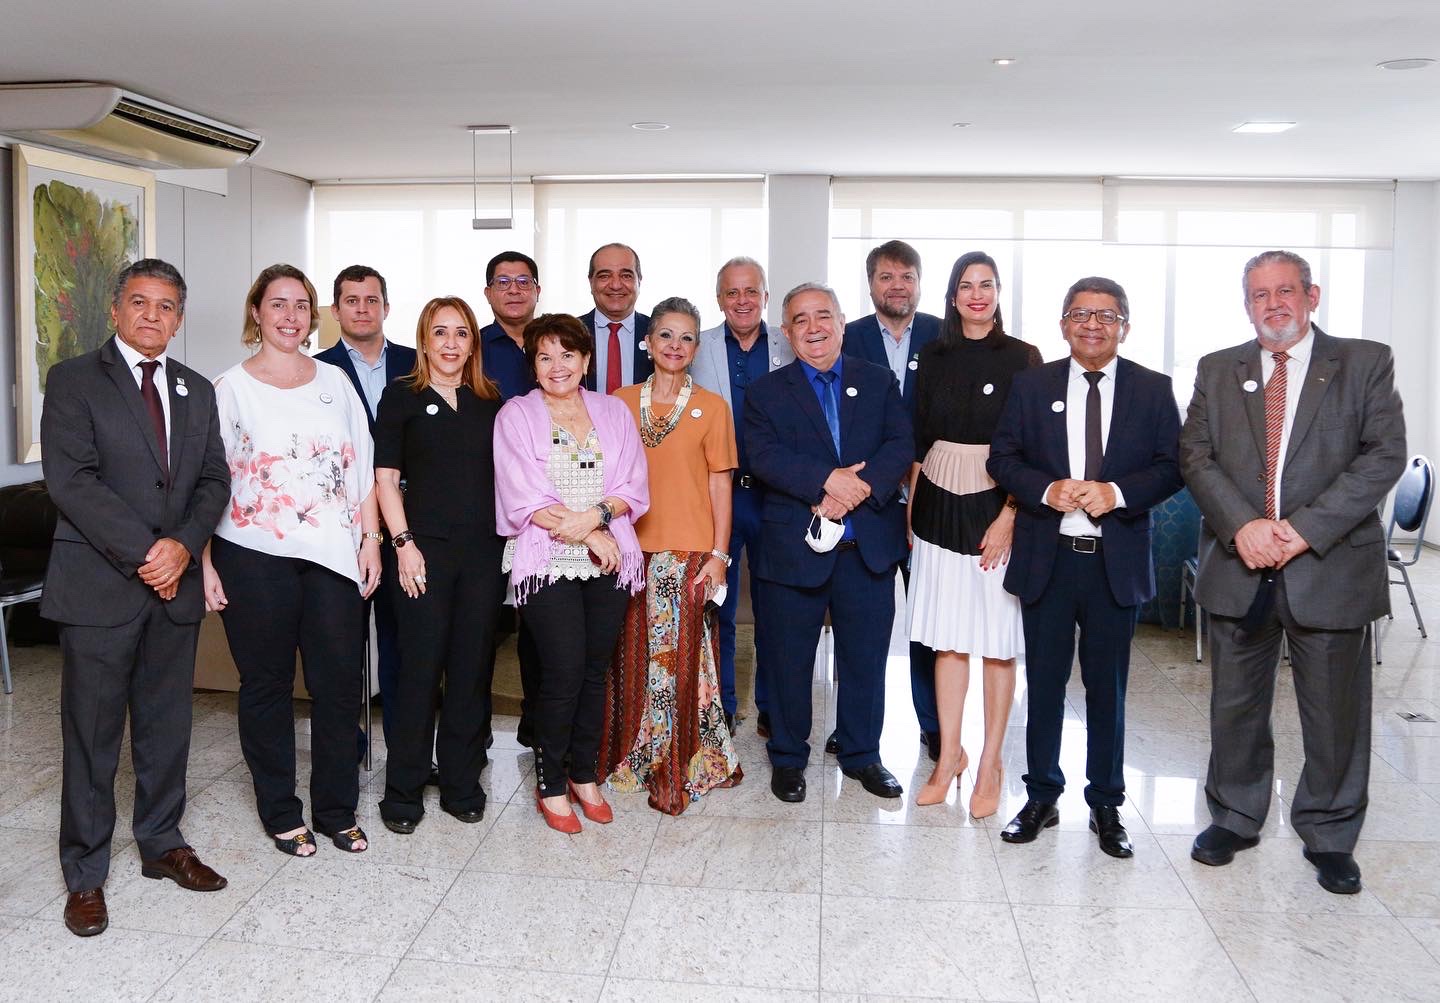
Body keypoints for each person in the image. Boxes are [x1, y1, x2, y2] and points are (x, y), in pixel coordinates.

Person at [1180, 249, 1406, 894]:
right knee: (1235, 706)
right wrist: (1243, 526)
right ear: (1246, 304)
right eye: (1259, 295)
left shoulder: (1363, 362)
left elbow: (1383, 455)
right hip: (1241, 561)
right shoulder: (1218, 369)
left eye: (1285, 291)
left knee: (1335, 714)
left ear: (1312, 295)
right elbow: (1194, 454)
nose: (1273, 304)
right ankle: (1235, 816)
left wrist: (1304, 531)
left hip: (1329, 567)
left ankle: (1330, 833)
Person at [42, 258, 231, 937]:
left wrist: (182, 543)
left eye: (168, 306)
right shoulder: (72, 381)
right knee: (92, 736)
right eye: (141, 302)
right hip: (100, 585)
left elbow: (213, 477)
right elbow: (72, 479)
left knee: (165, 726)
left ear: (179, 318)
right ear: (116, 310)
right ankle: (85, 873)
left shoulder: (194, 388)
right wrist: (149, 551)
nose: (154, 315)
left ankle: (162, 842)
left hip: (172, 589)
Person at [988, 276, 1182, 858]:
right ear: (1063, 323)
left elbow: (1173, 466)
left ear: (1125, 325)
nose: (1092, 325)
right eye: (1080, 314)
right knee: (1043, 686)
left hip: (1112, 564)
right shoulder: (1032, 384)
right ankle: (1042, 794)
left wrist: (1117, 493)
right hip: (1049, 559)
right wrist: (1046, 489)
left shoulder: (1152, 389)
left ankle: (1106, 804)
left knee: (1108, 690)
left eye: (1105, 315)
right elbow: (1003, 458)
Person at [202, 263, 382, 857]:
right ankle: (281, 811)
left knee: (337, 687)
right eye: (278, 304)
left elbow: (361, 471)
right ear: (256, 311)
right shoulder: (230, 388)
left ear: (313, 316)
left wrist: (371, 540)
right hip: (252, 557)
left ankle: (336, 810)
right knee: (267, 688)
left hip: (333, 557)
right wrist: (204, 561)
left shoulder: (336, 382)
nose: (290, 316)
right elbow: (207, 481)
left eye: (301, 305)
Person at [745, 283, 913, 804]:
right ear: (787, 331)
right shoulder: (766, 392)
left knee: (865, 658)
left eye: (824, 316)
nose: (814, 327)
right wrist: (826, 481)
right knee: (789, 660)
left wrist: (853, 489)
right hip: (791, 548)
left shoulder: (879, 381)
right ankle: (789, 758)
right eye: (800, 319)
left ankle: (863, 754)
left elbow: (900, 443)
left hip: (867, 547)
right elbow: (761, 455)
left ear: (842, 322)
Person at [494, 313, 649, 832]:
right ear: (532, 364)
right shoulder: (515, 415)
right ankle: (552, 783)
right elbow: (524, 497)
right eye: (544, 356)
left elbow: (632, 484)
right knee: (560, 672)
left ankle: (585, 775)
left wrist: (598, 520)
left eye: (567, 354)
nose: (556, 365)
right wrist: (589, 532)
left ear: (585, 360)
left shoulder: (613, 411)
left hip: (610, 558)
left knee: (592, 671)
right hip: (545, 558)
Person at [909, 252, 1041, 814]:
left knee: (996, 642)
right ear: (953, 294)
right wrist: (911, 518)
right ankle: (949, 756)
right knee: (948, 639)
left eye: (986, 284)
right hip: (936, 504)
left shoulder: (1024, 358)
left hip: (997, 505)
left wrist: (1012, 514)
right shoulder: (932, 355)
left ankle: (991, 763)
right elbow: (917, 444)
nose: (977, 294)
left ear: (999, 292)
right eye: (967, 285)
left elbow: (1036, 446)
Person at [601, 297, 743, 814]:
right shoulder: (618, 400)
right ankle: (631, 755)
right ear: (647, 341)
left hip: (687, 551)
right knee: (630, 657)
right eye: (665, 335)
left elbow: (720, 486)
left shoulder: (713, 406)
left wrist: (720, 553)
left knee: (677, 663)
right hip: (627, 549)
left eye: (686, 337)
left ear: (697, 346)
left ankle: (674, 761)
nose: (675, 346)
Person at [375, 297, 506, 833]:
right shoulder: (401, 397)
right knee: (418, 674)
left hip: (482, 556)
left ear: (473, 343)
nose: (451, 344)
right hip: (420, 554)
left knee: (472, 672)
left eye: (461, 334)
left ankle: (460, 782)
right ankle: (403, 792)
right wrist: (402, 544)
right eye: (440, 333)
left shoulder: (491, 402)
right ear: (424, 340)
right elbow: (385, 478)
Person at [843, 239, 944, 760]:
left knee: (928, 618)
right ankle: (853, 723)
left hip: (937, 498)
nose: (897, 285)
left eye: (906, 276)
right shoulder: (849, 336)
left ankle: (934, 722)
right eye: (886, 276)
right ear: (871, 284)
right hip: (870, 500)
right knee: (864, 622)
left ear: (920, 282)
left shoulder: (944, 335)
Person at [690, 256, 794, 734]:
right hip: (721, 494)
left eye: (751, 291)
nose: (742, 300)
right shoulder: (698, 346)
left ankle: (773, 708)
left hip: (777, 496)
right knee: (721, 607)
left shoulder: (790, 342)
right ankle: (724, 705)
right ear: (719, 300)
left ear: (766, 296)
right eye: (732, 293)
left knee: (777, 608)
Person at [316, 265, 417, 754]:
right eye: (351, 300)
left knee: (404, 642)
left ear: (386, 307)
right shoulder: (315, 369)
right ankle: (347, 743)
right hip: (343, 525)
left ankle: (404, 741)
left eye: (371, 299)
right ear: (336, 310)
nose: (362, 308)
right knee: (341, 644)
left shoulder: (418, 363)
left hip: (407, 524)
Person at [479, 250, 544, 749]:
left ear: (537, 290)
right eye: (504, 282)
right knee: (482, 627)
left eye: (524, 281)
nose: (515, 289)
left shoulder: (556, 342)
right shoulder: (473, 349)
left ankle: (538, 720)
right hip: (485, 505)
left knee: (542, 622)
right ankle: (472, 736)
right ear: (488, 293)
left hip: (550, 508)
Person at [578, 242, 653, 393]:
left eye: (626, 276)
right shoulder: (568, 332)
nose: (616, 285)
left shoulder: (658, 333)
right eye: (604, 276)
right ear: (591, 282)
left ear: (639, 281)